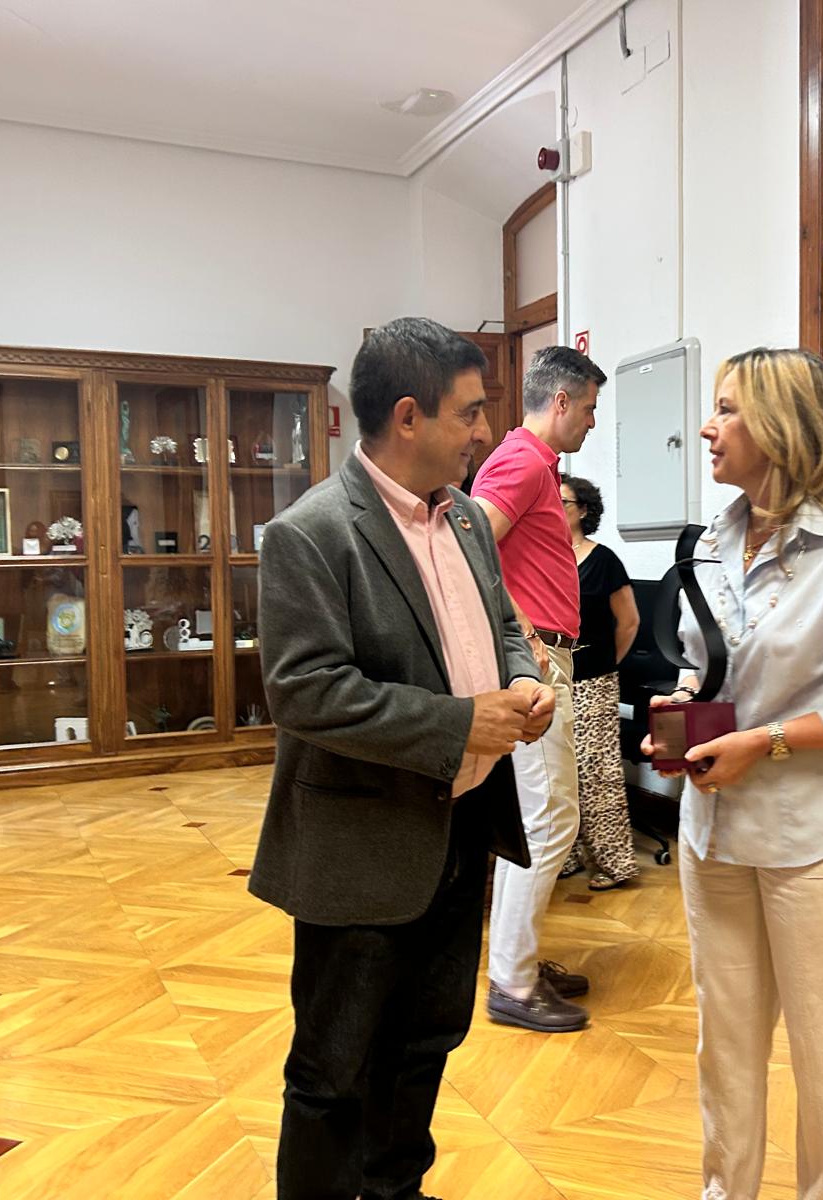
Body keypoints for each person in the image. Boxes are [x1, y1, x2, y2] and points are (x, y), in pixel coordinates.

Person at [249, 317, 554, 1200]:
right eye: (471, 411)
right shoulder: (312, 532)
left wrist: (522, 679)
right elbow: (305, 692)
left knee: (425, 1042)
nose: (485, 431)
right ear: (410, 417)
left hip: (458, 831)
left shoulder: (464, 519)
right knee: (334, 1068)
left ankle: (395, 1192)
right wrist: (459, 725)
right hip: (362, 848)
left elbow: (502, 625)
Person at [644, 348, 823, 1200]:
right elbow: (704, 662)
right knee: (724, 1046)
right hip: (715, 832)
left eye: (727, 409)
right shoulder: (712, 540)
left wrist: (762, 743)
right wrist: (682, 708)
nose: (706, 428)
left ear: (782, 425)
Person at [470, 344, 606, 1033]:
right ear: (560, 401)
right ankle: (514, 984)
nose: (592, 422)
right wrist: (521, 635)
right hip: (535, 665)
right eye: (589, 408)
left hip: (546, 658)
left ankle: (516, 960)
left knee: (539, 820)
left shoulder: (537, 465)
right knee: (552, 820)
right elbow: (468, 544)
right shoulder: (522, 461)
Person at [556, 474, 640, 891]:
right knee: (559, 772)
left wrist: (605, 664)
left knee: (596, 772)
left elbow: (629, 622)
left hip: (595, 679)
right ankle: (567, 854)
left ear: (584, 511)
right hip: (553, 679)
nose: (555, 509)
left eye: (564, 502)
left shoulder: (603, 560)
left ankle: (615, 863)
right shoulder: (545, 558)